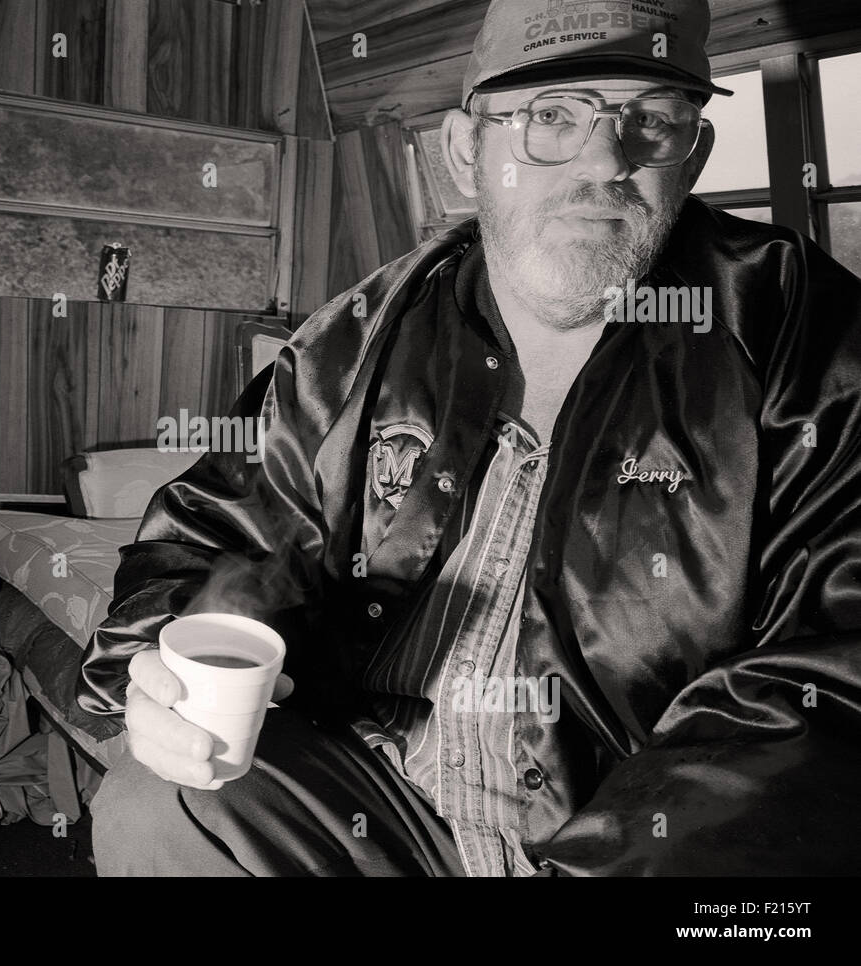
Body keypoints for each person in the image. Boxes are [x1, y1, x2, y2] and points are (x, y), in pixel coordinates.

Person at [75, 0, 861, 875]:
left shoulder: (803, 336)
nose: (605, 160)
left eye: (651, 120)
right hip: (377, 807)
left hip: (635, 836)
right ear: (464, 152)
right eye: (550, 117)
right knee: (162, 801)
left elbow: (830, 676)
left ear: (695, 155)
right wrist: (167, 661)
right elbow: (216, 530)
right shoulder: (355, 343)